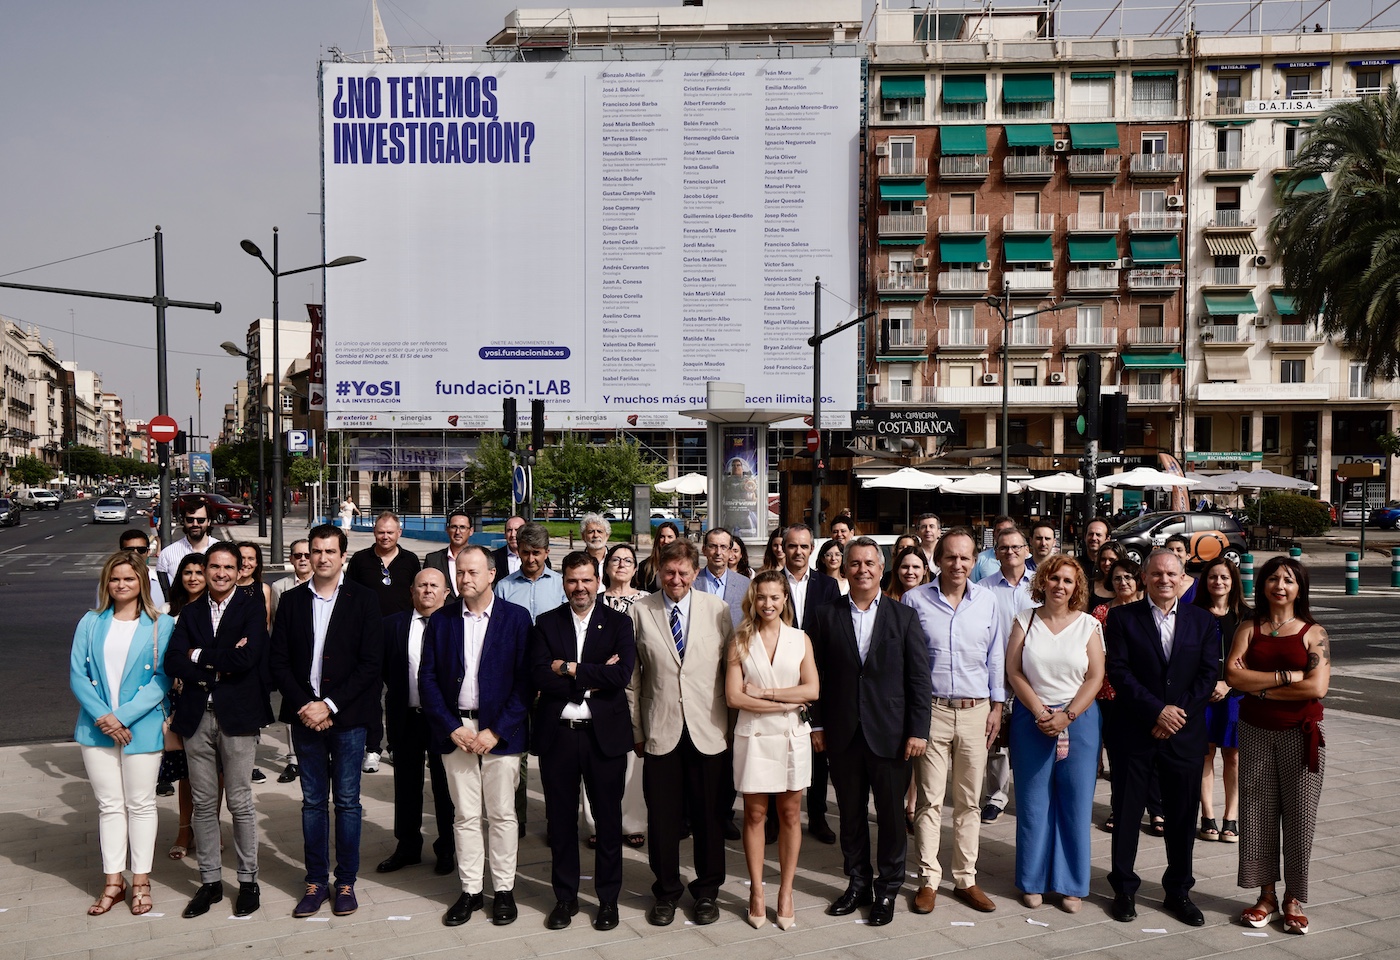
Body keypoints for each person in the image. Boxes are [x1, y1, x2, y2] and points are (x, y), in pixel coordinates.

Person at [811, 538, 931, 927]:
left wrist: (918, 730)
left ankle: (889, 887)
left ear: (882, 569)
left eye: (869, 563)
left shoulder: (903, 616)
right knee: (850, 813)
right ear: (844, 569)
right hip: (843, 732)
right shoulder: (825, 615)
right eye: (855, 563)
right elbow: (814, 674)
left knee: (892, 815)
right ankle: (858, 882)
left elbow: (918, 678)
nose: (862, 569)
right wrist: (817, 723)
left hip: (892, 735)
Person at [269, 524, 385, 919]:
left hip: (348, 717)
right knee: (313, 803)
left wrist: (329, 705)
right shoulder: (292, 601)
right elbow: (279, 661)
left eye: (329, 551)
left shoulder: (364, 600)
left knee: (348, 802)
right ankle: (316, 881)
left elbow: (371, 663)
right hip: (304, 717)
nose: (321, 558)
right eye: (315, 551)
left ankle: (346, 881)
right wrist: (307, 705)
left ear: (343, 556)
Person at [1103, 548, 1221, 926]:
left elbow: (1208, 674)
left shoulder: (1202, 621)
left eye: (1171, 573)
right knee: (1127, 813)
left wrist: (1174, 715)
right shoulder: (1122, 618)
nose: (1164, 579)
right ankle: (1124, 889)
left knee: (1183, 817)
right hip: (1134, 732)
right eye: (1156, 574)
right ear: (1145, 578)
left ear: (1183, 577)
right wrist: (1156, 711)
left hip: (1184, 735)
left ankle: (1178, 891)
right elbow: (1119, 672)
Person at [420, 545, 532, 928]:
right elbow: (427, 679)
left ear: (491, 574)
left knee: (502, 815)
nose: (464, 579)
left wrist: (496, 731)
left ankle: (503, 890)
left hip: (500, 732)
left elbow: (525, 683)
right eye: (460, 572)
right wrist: (451, 727)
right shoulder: (442, 620)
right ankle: (470, 890)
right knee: (465, 816)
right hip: (457, 732)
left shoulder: (516, 619)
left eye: (472, 572)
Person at [626, 538, 734, 927]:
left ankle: (707, 891)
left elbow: (730, 670)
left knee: (709, 817)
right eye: (669, 572)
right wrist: (638, 729)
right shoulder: (641, 611)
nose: (675, 579)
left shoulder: (717, 609)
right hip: (661, 728)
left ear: (695, 572)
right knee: (663, 818)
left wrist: (732, 728)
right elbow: (633, 678)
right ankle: (667, 891)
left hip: (709, 729)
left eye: (683, 572)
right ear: (659, 570)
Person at [164, 542, 272, 919]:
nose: (221, 573)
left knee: (239, 802)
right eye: (214, 567)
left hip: (238, 716)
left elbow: (247, 658)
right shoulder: (191, 611)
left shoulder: (251, 606)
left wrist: (198, 655)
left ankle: (248, 881)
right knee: (204, 803)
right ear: (206, 569)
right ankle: (210, 882)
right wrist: (216, 664)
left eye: (229, 567)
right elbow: (173, 660)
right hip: (197, 716)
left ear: (240, 571)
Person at [529, 552, 637, 932]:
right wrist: (593, 676)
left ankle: (608, 899)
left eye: (587, 580)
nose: (580, 587)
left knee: (608, 823)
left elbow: (621, 675)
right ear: (564, 583)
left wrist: (569, 668)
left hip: (603, 738)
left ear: (598, 582)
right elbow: (539, 676)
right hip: (558, 736)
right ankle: (565, 897)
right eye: (573, 580)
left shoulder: (620, 623)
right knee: (560, 823)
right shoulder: (546, 623)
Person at [901, 526, 1004, 915]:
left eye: (964, 557)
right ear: (938, 560)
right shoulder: (914, 599)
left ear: (974, 561)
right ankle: (928, 879)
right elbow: (908, 660)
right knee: (929, 799)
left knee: (969, 802)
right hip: (932, 710)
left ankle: (965, 878)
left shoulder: (988, 601)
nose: (957, 564)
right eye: (950, 557)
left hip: (976, 710)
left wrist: (997, 706)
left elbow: (996, 655)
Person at [1226, 557, 1329, 937]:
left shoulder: (1313, 633)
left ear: (1300, 588)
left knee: (1300, 818)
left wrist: (1260, 687)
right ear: (1262, 585)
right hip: (1255, 731)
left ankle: (1294, 899)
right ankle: (1266, 895)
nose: (1280, 586)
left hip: (1300, 735)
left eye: (1288, 580)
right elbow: (1233, 676)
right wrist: (1287, 677)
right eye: (1273, 579)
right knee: (1257, 815)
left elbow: (1317, 687)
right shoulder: (1248, 628)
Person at [69, 550, 175, 917]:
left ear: (142, 581)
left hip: (140, 727)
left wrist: (122, 717)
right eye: (114, 579)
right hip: (96, 727)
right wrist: (105, 717)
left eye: (129, 578)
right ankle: (113, 881)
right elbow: (77, 675)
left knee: (141, 804)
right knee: (109, 805)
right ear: (106, 583)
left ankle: (141, 880)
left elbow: (161, 679)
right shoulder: (90, 621)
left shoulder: (161, 624)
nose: (121, 584)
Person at [1004, 556, 1105, 913]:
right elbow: (1014, 671)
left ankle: (1070, 884)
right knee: (1033, 804)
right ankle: (1032, 880)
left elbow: (1095, 676)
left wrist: (1068, 715)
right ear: (1042, 582)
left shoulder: (1089, 625)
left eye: (1068, 580)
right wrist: (1039, 711)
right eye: (1054, 578)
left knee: (1075, 804)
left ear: (1077, 587)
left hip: (1079, 720)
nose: (1060, 585)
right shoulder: (1025, 620)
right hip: (1032, 717)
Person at [726, 570, 819, 930]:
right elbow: (734, 697)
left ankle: (786, 891)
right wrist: (786, 704)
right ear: (753, 599)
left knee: (791, 814)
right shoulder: (739, 640)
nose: (768, 604)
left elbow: (812, 690)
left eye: (775, 597)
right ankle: (756, 891)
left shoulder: (800, 639)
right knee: (754, 815)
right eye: (762, 597)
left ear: (784, 600)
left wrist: (766, 694)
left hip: (791, 737)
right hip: (754, 736)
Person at [377, 568, 456, 877]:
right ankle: (407, 846)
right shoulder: (391, 626)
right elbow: (384, 671)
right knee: (406, 785)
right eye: (421, 585)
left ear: (446, 593)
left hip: (444, 720)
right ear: (411, 590)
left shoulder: (455, 625)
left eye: (434, 585)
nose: (427, 590)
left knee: (445, 787)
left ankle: (447, 847)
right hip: (406, 717)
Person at [347, 512, 420, 773]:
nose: (385, 536)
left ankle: (398, 745)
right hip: (368, 639)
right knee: (370, 696)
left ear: (399, 532)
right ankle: (373, 748)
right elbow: (350, 597)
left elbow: (418, 596)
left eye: (390, 532)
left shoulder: (410, 560)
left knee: (401, 695)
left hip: (401, 638)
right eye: (381, 531)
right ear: (374, 532)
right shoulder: (360, 560)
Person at [781, 523, 840, 844]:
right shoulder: (771, 581)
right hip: (780, 676)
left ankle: (817, 816)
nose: (798, 552)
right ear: (783, 548)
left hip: (817, 677)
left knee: (818, 752)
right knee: (779, 749)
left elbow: (833, 632)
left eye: (804, 546)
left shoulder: (828, 585)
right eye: (793, 546)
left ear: (812, 549)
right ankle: (776, 819)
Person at [591, 542, 648, 850]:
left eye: (628, 560)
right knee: (597, 754)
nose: (622, 564)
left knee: (634, 755)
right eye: (615, 559)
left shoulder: (648, 601)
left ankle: (633, 823)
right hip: (600, 684)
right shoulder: (595, 600)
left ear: (635, 568)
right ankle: (596, 823)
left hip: (637, 685)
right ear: (606, 566)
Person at [979, 525, 1037, 826]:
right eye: (1004, 547)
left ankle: (1030, 794)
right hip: (997, 671)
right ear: (996, 553)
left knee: (1031, 734)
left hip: (1034, 673)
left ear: (1027, 550)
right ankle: (996, 796)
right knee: (997, 738)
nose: (1011, 552)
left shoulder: (1041, 584)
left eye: (1016, 547)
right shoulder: (983, 588)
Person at [1194, 557, 1250, 845]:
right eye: (1213, 577)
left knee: (1233, 755)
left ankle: (1231, 817)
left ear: (1233, 582)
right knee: (1204, 754)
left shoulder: (1246, 616)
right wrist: (1207, 686)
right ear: (1205, 581)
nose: (1218, 582)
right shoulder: (1193, 614)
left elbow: (1252, 659)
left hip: (1234, 696)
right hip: (1201, 696)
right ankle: (1208, 816)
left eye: (1224, 577)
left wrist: (1228, 683)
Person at [1091, 558, 1144, 833]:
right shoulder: (1101, 612)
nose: (1123, 582)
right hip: (1108, 690)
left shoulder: (1147, 609)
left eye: (1128, 577)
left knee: (1145, 753)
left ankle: (1155, 809)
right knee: (1117, 754)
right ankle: (1118, 807)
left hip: (1143, 690)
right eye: (1117, 578)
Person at [269, 539, 313, 784]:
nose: (303, 559)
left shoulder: (324, 583)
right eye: (298, 555)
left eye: (307, 554)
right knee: (292, 706)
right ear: (291, 559)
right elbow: (277, 621)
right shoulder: (280, 587)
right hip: (293, 656)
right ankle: (293, 759)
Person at [494, 521, 566, 622]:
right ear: (518, 552)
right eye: (526, 553)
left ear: (546, 553)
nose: (530, 559)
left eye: (536, 553)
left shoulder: (561, 584)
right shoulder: (504, 587)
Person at [155, 501, 219, 596]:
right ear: (183, 521)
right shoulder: (167, 554)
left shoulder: (223, 552)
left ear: (209, 521)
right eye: (190, 520)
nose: (195, 524)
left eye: (200, 520)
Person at [696, 526, 751, 629]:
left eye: (723, 547)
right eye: (712, 546)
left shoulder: (745, 584)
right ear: (704, 550)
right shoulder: (692, 583)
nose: (718, 552)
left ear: (730, 552)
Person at [425, 510, 473, 598]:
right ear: (447, 530)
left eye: (462, 527)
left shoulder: (480, 559)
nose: (457, 532)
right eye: (454, 527)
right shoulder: (433, 560)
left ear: (471, 531)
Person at [119, 528, 165, 608]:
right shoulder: (109, 584)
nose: (135, 553)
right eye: (129, 550)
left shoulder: (165, 580)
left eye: (141, 550)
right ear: (121, 552)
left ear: (148, 552)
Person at [236, 542, 275, 630]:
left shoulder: (264, 590)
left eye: (251, 559)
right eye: (242, 558)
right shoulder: (225, 588)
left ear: (257, 563)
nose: (245, 563)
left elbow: (266, 625)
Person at [970, 515, 1019, 583]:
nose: (1003, 535)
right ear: (994, 534)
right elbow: (973, 586)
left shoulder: (1025, 558)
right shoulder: (980, 559)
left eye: (1008, 531)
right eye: (999, 531)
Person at [635, 520, 681, 590]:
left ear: (676, 539)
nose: (665, 541)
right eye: (662, 537)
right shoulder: (645, 566)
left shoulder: (684, 563)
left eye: (670, 537)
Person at [1088, 540, 1123, 609]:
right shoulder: (1090, 584)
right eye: (1103, 559)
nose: (1106, 563)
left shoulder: (1129, 585)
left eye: (1112, 560)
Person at [1165, 534, 1199, 603]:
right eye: (1170, 550)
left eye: (1179, 550)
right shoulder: (1157, 583)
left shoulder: (1199, 586)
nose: (1174, 553)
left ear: (1188, 556)